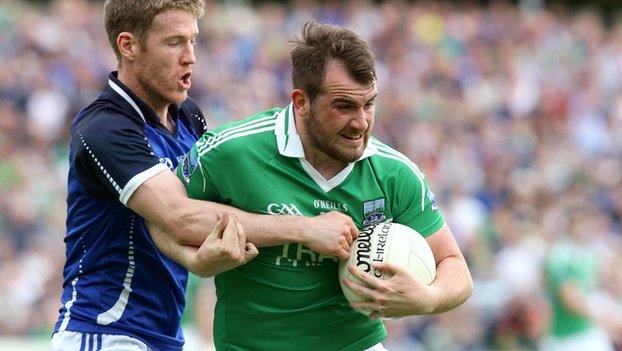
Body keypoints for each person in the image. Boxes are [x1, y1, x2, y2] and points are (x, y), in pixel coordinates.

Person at [50, 2, 359, 350]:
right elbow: (180, 217)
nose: (190, 56)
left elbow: (201, 219)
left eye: (193, 41)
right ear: (128, 45)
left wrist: (196, 259)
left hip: (164, 335)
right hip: (104, 330)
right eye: (174, 42)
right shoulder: (105, 127)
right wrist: (306, 227)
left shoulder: (188, 117)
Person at [165, 21, 473, 350]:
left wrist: (426, 297)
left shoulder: (394, 173)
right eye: (344, 106)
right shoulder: (231, 152)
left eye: (368, 104)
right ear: (301, 102)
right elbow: (165, 219)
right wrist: (193, 258)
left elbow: (456, 269)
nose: (361, 122)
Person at [542, 207, 619, 351]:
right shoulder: (559, 255)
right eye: (580, 223)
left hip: (589, 332)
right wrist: (604, 318)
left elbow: (602, 284)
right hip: (565, 337)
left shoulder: (589, 252)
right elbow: (569, 297)